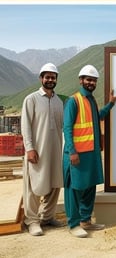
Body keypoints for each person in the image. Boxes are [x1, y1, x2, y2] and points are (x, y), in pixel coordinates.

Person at [63, 65, 116, 238]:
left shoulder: (91, 100)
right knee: (74, 189)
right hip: (77, 155)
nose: (91, 83)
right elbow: (67, 127)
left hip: (91, 153)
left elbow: (98, 117)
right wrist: (72, 151)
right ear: (81, 80)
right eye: (88, 79)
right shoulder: (73, 101)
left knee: (89, 187)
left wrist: (111, 104)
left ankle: (85, 220)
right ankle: (73, 224)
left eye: (94, 80)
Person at [21, 63, 64, 236]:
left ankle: (47, 217)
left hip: (55, 150)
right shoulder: (31, 99)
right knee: (33, 185)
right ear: (41, 78)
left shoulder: (59, 101)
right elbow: (25, 126)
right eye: (47, 77)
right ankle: (32, 221)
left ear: (56, 80)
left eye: (53, 77)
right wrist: (29, 148)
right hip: (37, 151)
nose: (50, 80)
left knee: (55, 184)